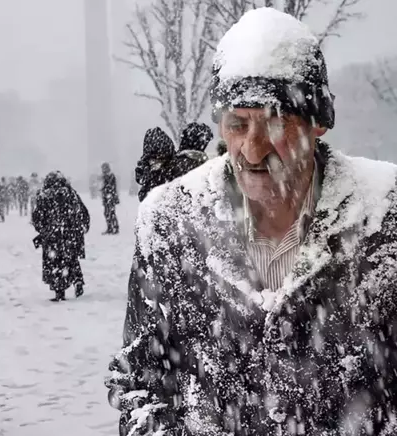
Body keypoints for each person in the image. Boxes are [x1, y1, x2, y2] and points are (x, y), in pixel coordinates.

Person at [106, 8, 397, 435]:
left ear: (318, 124)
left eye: (275, 122)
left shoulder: (385, 216)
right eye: (238, 124)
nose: (253, 150)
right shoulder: (169, 221)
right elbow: (142, 384)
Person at [32, 171, 89, 302]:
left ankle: (59, 291)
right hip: (70, 234)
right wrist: (82, 226)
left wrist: (43, 229)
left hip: (52, 236)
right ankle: (77, 279)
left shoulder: (44, 195)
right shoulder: (71, 193)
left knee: (54, 263)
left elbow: (37, 217)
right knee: (71, 258)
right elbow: (82, 211)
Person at [100, 163, 119, 234]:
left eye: (104, 168)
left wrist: (106, 190)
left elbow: (111, 187)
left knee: (111, 213)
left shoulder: (110, 176)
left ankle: (115, 228)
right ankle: (110, 228)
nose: (102, 170)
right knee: (107, 213)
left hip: (110, 197)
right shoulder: (105, 176)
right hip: (107, 197)